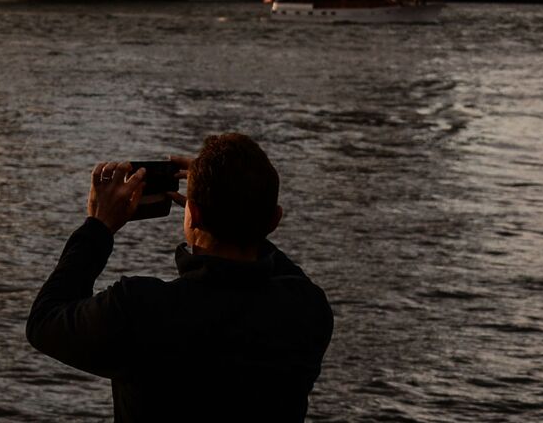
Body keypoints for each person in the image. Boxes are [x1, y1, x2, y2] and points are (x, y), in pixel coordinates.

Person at [26, 133, 333, 421]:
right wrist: (229, 212)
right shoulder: (307, 311)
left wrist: (98, 226)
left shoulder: (140, 310)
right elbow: (270, 262)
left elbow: (43, 322)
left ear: (194, 214)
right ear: (274, 221)